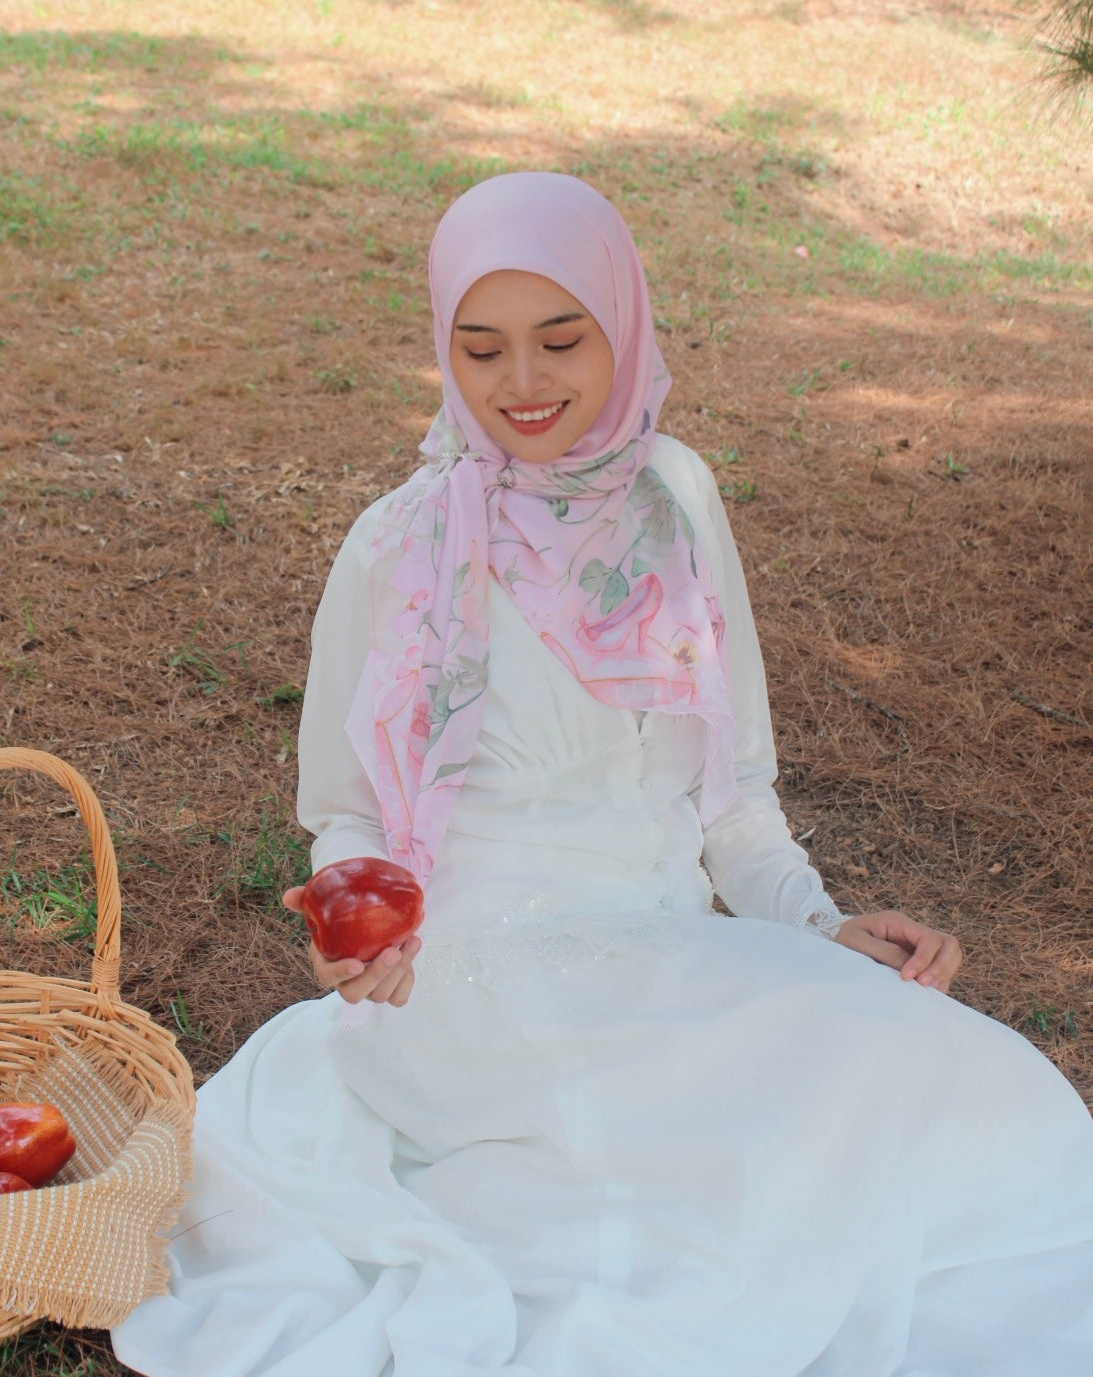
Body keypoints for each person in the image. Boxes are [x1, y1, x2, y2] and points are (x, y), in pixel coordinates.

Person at [112, 172, 1093, 1377]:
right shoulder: (398, 546)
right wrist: (361, 930)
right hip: (473, 978)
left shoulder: (675, 501)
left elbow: (730, 793)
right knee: (645, 1208)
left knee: (967, 1084)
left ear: (619, 329)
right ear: (443, 351)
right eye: (481, 350)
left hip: (673, 949)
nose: (522, 384)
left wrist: (817, 922)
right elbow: (348, 810)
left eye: (560, 340)